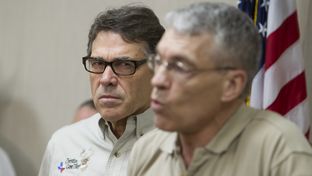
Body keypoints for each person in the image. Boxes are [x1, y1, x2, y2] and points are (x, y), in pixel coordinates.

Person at [128, 2, 312, 176]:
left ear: (231, 85)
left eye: (179, 66)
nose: (158, 80)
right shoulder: (147, 149)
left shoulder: (281, 150)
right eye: (158, 62)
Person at [39, 4, 164, 176]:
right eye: (97, 63)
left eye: (124, 64)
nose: (106, 79)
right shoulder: (63, 143)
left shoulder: (185, 145)